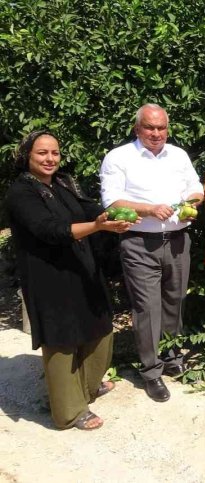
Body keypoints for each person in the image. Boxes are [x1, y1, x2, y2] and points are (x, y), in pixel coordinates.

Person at [6, 131, 133, 430]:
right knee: (62, 338)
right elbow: (50, 230)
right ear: (27, 156)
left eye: (55, 153)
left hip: (81, 267)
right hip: (49, 276)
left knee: (98, 326)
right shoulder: (20, 193)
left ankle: (88, 387)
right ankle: (69, 411)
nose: (50, 159)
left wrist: (110, 214)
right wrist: (97, 225)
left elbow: (87, 208)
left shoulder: (62, 183)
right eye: (42, 153)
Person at [99, 103, 204, 402]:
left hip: (177, 240)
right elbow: (112, 202)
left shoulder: (178, 155)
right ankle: (151, 372)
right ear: (137, 129)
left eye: (161, 127)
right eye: (150, 127)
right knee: (147, 308)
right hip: (139, 242)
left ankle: (171, 357)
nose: (156, 133)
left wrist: (192, 203)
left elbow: (196, 187)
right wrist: (148, 209)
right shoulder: (119, 157)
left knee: (175, 300)